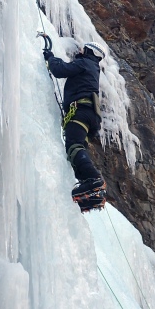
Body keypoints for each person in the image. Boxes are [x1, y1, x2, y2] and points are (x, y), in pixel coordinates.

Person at [43, 41, 107, 208]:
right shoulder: (94, 68)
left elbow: (60, 70)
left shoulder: (85, 63)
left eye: (83, 49)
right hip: (91, 117)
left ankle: (94, 179)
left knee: (74, 146)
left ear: (88, 51)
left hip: (81, 111)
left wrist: (50, 58)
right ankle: (91, 193)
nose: (80, 50)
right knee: (77, 150)